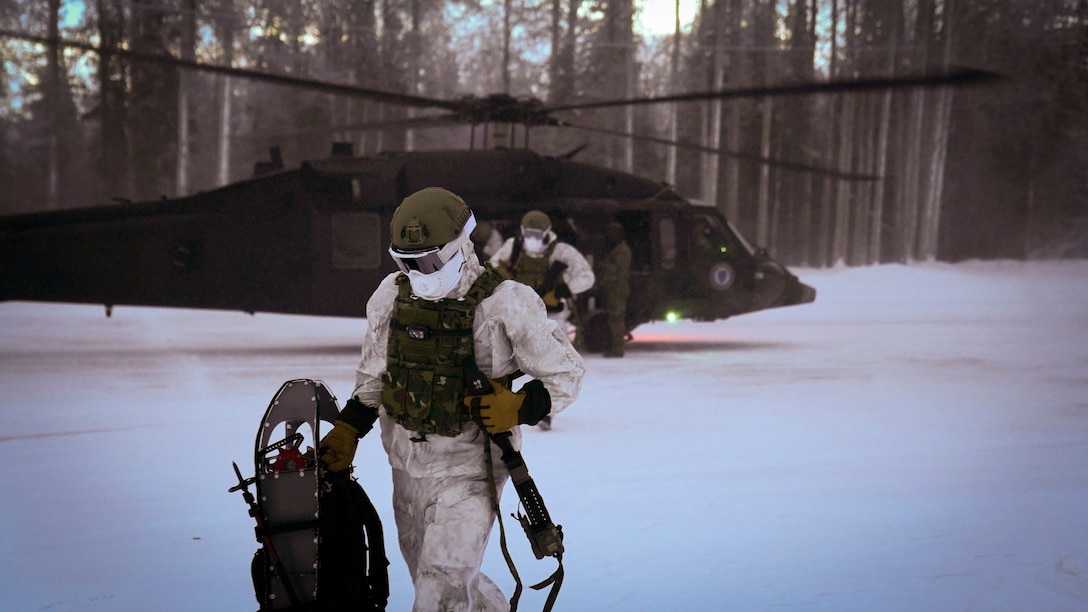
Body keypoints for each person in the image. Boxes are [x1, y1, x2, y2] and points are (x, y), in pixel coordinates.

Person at [319, 187, 585, 612]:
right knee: (441, 580)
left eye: (428, 261)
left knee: (438, 592)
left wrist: (519, 405)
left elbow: (567, 373)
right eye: (406, 263)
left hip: (471, 474)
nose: (418, 273)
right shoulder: (390, 296)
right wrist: (349, 427)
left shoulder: (506, 304)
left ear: (461, 245)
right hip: (405, 469)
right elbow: (374, 375)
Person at [490, 210, 595, 339]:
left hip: (551, 315)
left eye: (537, 235)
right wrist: (503, 276)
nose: (532, 238)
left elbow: (587, 277)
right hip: (517, 313)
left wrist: (566, 288)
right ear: (522, 230)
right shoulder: (513, 248)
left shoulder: (562, 251)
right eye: (528, 233)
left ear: (547, 232)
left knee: (554, 354)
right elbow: (491, 271)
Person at [600, 221, 632, 358]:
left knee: (616, 319)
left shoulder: (623, 251)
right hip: (614, 290)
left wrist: (606, 275)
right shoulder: (617, 250)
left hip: (618, 290)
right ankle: (614, 346)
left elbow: (620, 272)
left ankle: (618, 348)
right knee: (613, 319)